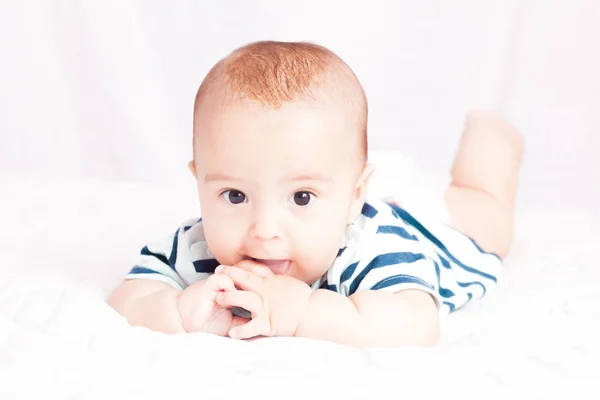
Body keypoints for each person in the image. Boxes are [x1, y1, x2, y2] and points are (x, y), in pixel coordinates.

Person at [107, 41, 523, 347]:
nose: (264, 231)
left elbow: (416, 326)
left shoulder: (370, 247)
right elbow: (128, 296)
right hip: (343, 187)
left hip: (430, 225)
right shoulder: (196, 246)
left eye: (301, 197)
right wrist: (178, 311)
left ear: (356, 195)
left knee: (485, 212)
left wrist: (300, 310)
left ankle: (491, 142)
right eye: (235, 196)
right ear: (200, 185)